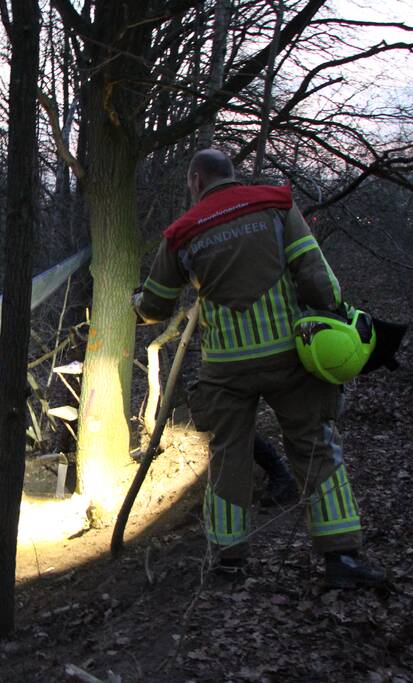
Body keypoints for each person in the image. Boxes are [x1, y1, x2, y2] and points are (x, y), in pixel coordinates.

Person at [133, 149, 384, 588]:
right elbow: (315, 274)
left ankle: (229, 564)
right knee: (315, 448)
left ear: (195, 181)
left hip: (227, 370)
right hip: (290, 357)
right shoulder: (275, 206)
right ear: (232, 175)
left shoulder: (182, 234)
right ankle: (341, 560)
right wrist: (338, 316)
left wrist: (136, 303)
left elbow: (154, 307)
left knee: (229, 456)